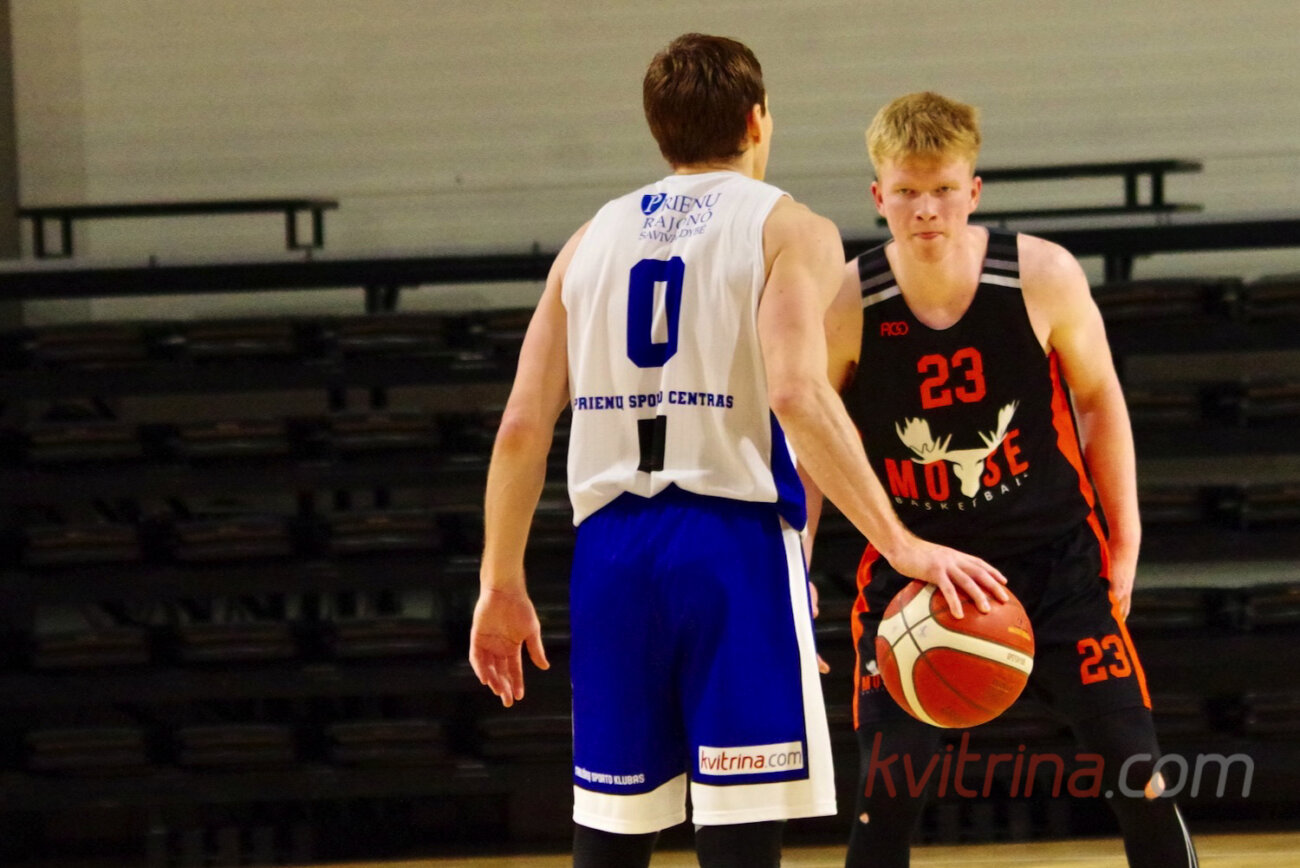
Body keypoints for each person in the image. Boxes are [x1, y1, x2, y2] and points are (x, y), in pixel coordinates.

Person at [468, 38, 1006, 868]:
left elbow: (519, 427)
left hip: (610, 554)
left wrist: (500, 581)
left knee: (609, 834)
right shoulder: (791, 228)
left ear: (658, 131)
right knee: (740, 829)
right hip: (731, 545)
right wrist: (899, 543)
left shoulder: (589, 238)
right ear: (758, 121)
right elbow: (797, 392)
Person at [808, 91, 1200, 867]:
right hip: (918, 575)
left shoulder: (1040, 275)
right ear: (878, 194)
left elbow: (1099, 400)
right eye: (907, 190)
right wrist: (795, 561)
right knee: (885, 799)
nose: (926, 208)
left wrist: (1126, 540)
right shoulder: (847, 301)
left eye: (944, 188)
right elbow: (811, 439)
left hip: (1054, 563)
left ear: (975, 190)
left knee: (1140, 775)